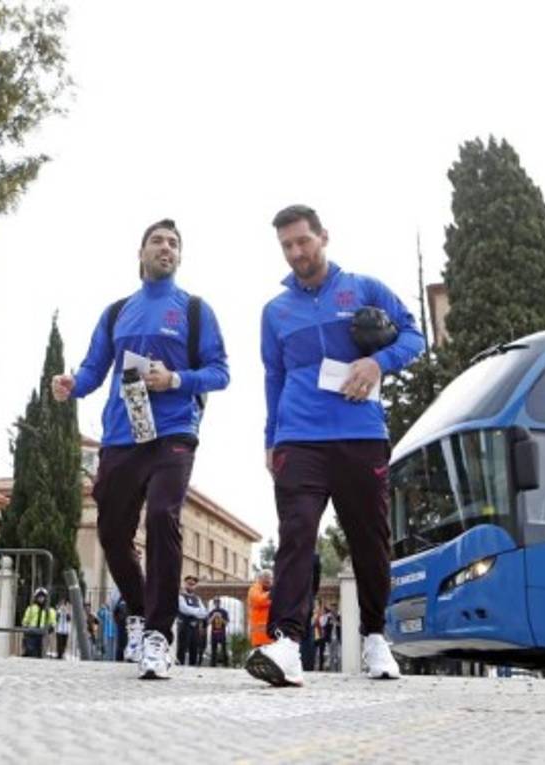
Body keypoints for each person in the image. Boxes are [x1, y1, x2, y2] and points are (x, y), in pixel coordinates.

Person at [245, 204, 424, 688]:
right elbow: (273, 376)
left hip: (361, 435)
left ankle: (375, 638)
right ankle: (286, 645)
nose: (296, 252)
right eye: (287, 246)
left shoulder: (364, 288)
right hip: (298, 437)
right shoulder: (275, 311)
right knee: (297, 533)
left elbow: (416, 336)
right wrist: (270, 438)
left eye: (303, 241)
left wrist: (378, 363)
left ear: (324, 236)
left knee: (370, 538)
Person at [51, 219, 230, 680]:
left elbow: (220, 372)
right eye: (158, 241)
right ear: (141, 252)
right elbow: (93, 370)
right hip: (121, 434)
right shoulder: (117, 312)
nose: (165, 248)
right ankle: (136, 606)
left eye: (173, 243)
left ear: (180, 256)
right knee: (111, 531)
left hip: (173, 431)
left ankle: (157, 635)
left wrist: (175, 379)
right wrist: (72, 385)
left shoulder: (193, 311)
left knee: (162, 516)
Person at [175, 574, 207, 667]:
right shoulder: (181, 597)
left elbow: (204, 612)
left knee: (194, 648)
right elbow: (184, 609)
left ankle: (192, 667)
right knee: (182, 648)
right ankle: (180, 666)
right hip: (184, 625)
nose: (191, 586)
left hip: (195, 627)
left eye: (193, 584)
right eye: (189, 584)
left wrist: (194, 612)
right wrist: (197, 612)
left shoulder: (197, 599)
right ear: (185, 584)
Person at [21, 587, 56, 659]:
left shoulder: (49, 610)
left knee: (40, 653)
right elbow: (25, 621)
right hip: (31, 633)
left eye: (42, 597)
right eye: (39, 597)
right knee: (31, 651)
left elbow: (53, 622)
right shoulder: (31, 608)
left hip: (42, 633)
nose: (41, 599)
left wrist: (50, 628)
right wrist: (25, 628)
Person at [248, 569, 274, 649]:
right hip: (260, 639)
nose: (270, 581)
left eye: (271, 579)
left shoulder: (269, 590)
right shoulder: (254, 589)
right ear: (261, 579)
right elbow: (259, 600)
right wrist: (272, 593)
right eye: (267, 579)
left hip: (271, 636)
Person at [206, 598, 230, 667]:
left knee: (224, 649)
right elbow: (208, 623)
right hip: (214, 633)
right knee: (213, 650)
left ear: (220, 603)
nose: (217, 603)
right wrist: (213, 616)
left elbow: (226, 623)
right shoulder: (212, 612)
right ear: (214, 603)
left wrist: (221, 618)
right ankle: (213, 665)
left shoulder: (224, 612)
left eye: (218, 602)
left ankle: (226, 664)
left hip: (222, 633)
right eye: (215, 602)